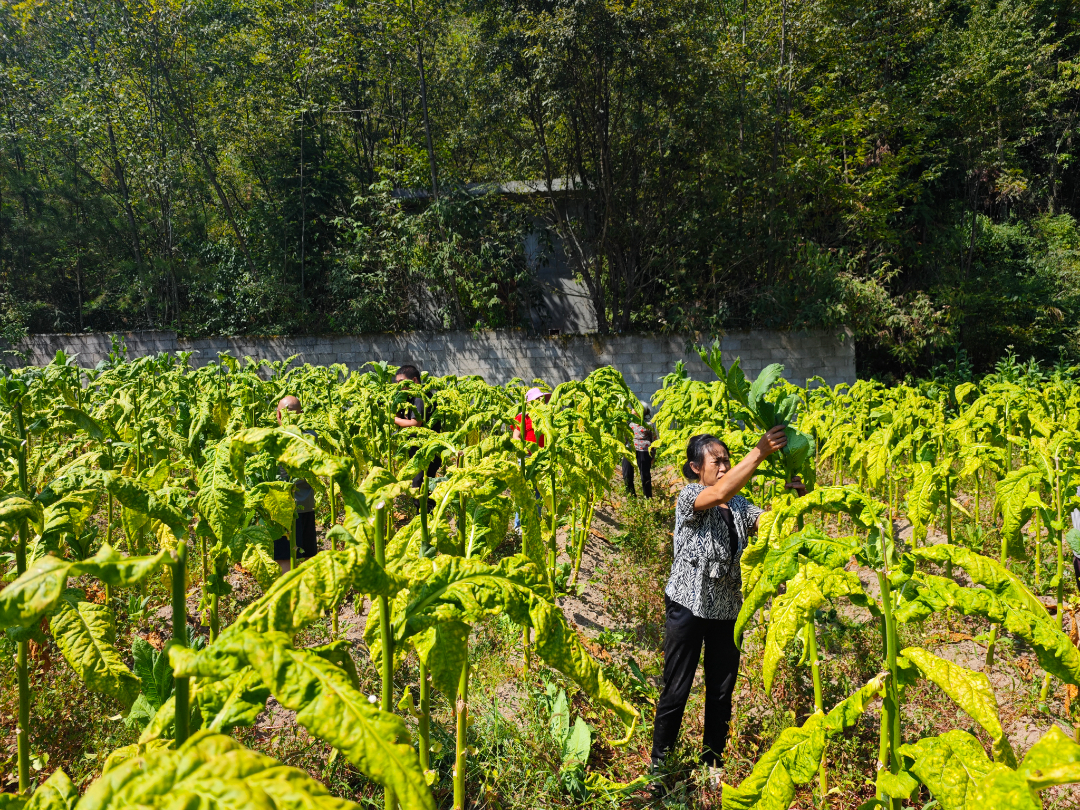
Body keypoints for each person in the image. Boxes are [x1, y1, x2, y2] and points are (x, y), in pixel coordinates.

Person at [651, 427, 805, 787]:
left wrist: (796, 501)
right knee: (677, 688)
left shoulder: (739, 504)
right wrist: (760, 451)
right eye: (715, 462)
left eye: (726, 461)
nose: (723, 467)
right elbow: (719, 492)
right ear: (695, 468)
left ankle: (713, 763)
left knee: (721, 690)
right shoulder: (690, 496)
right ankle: (660, 765)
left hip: (726, 609)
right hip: (689, 605)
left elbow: (771, 525)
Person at [273, 396, 319, 573]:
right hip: (306, 505)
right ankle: (310, 588)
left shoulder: (273, 439)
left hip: (283, 509)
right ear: (301, 414)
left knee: (284, 556)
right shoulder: (311, 437)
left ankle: (289, 590)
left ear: (278, 415)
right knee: (308, 556)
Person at [394, 364, 441, 506]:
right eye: (397, 383)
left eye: (402, 382)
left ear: (414, 380)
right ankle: (424, 515)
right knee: (422, 486)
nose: (399, 386)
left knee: (420, 487)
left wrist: (393, 419)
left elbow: (415, 423)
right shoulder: (412, 397)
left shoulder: (420, 397)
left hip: (425, 451)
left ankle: (425, 516)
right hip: (421, 450)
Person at [622, 406, 655, 498]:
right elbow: (624, 437)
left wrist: (653, 455)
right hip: (629, 450)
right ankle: (631, 495)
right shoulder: (628, 423)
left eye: (634, 408)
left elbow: (654, 439)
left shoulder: (648, 424)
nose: (632, 410)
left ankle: (648, 497)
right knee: (627, 473)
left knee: (645, 475)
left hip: (643, 451)